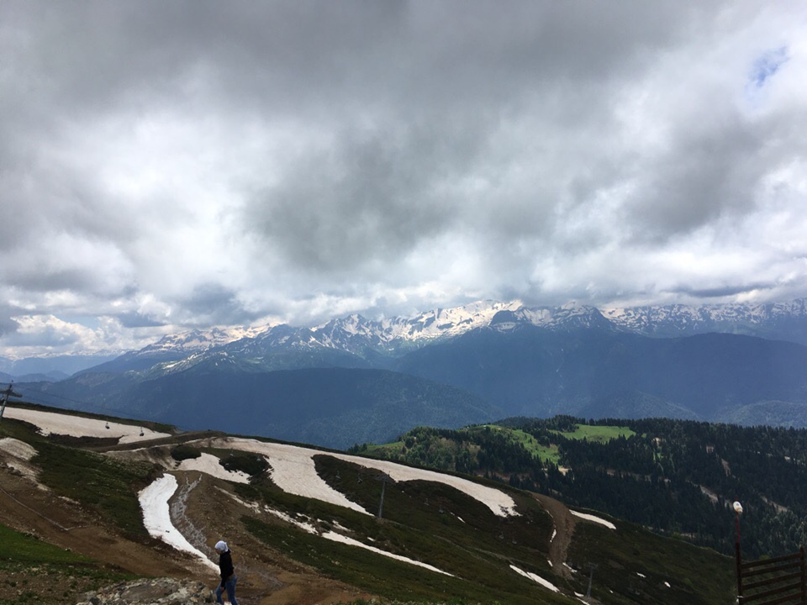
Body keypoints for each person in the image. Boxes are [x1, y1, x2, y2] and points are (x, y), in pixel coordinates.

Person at [214, 540, 238, 605]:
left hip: (229, 580)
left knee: (231, 598)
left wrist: (222, 585)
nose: (215, 551)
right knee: (217, 594)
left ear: (221, 549)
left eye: (217, 549)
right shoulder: (225, 555)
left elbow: (225, 573)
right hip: (229, 578)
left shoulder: (225, 558)